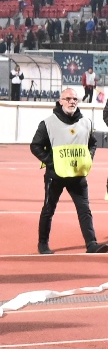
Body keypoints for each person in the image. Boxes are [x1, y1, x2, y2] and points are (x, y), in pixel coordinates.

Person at [31, 89, 108, 254]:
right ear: (60, 101)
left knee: (84, 210)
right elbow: (35, 146)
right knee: (48, 209)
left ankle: (91, 244)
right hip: (55, 175)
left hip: (78, 175)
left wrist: (88, 158)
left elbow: (92, 143)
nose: (72, 101)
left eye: (75, 99)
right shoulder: (48, 123)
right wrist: (52, 162)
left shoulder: (86, 122)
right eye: (68, 99)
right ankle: (43, 244)